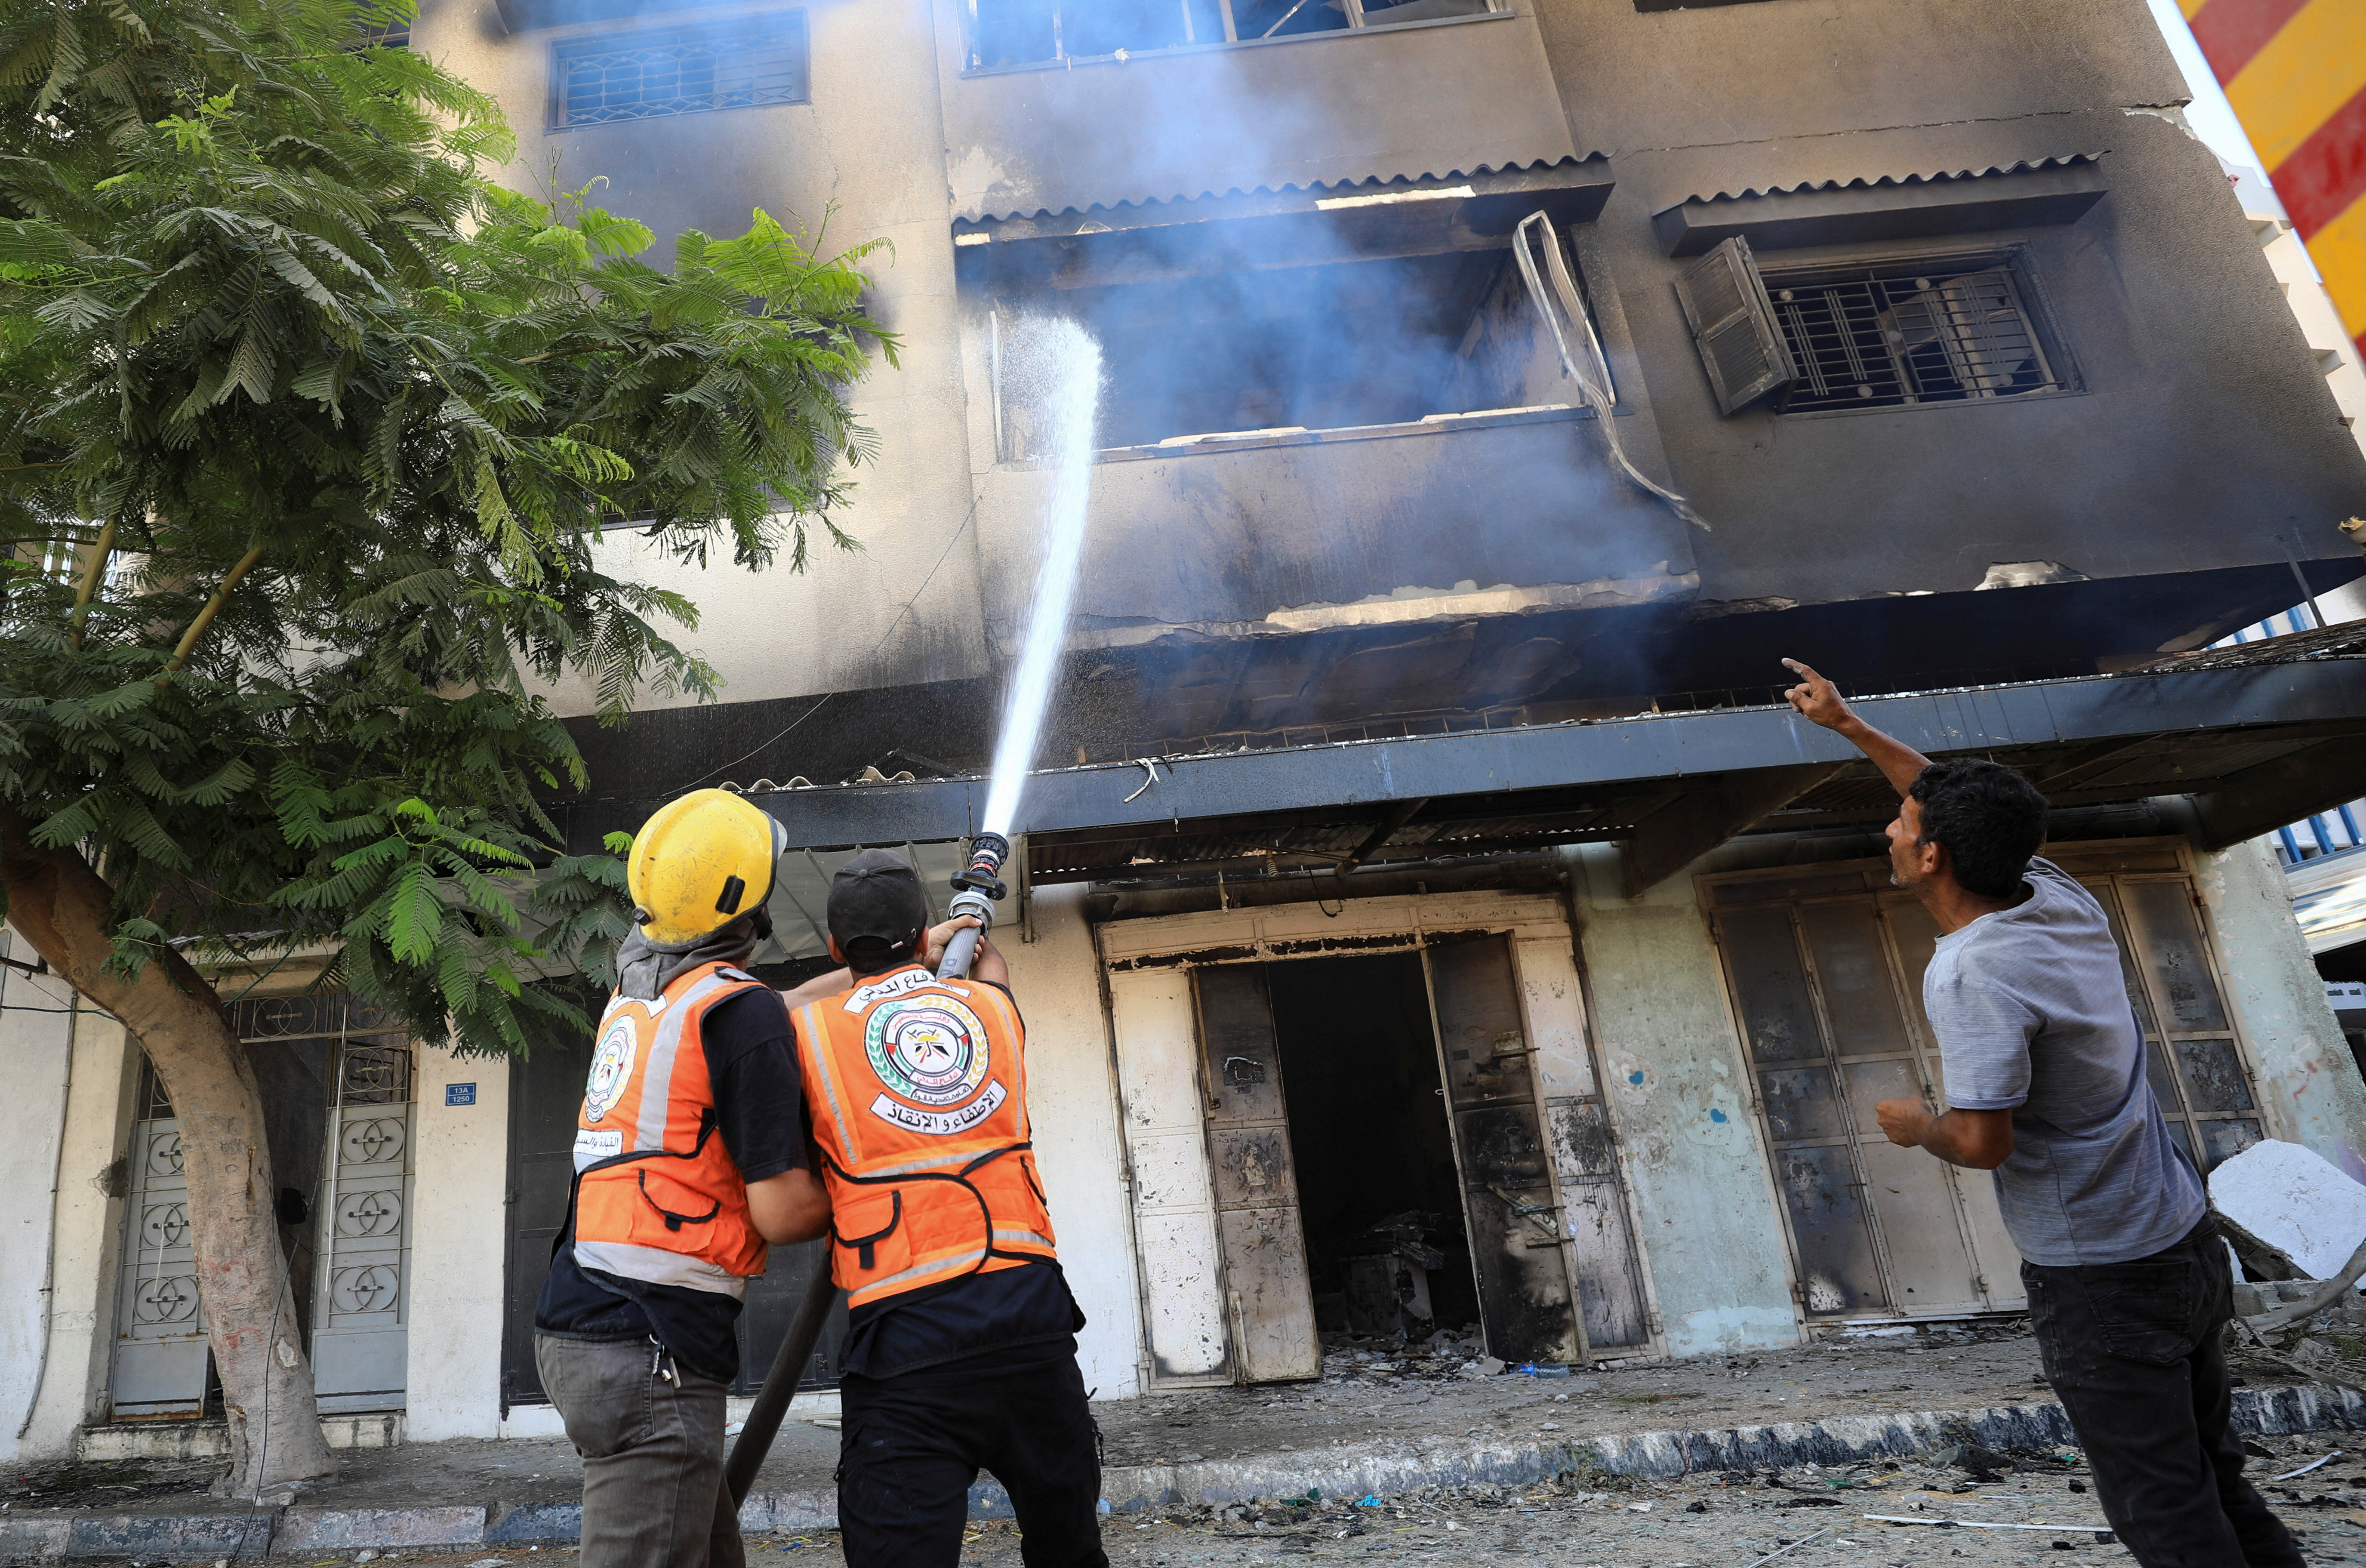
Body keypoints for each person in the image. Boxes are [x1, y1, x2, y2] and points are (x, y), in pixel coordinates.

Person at [1781, 659, 2302, 1568]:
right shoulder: (2052, 896)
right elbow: (1948, 800)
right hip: (2180, 1237)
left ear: (1931, 855)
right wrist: (1850, 727)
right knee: (2212, 1477)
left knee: (2164, 1510)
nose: (1890, 825)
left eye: (1902, 823)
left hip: (2104, 1273)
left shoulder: (1972, 971)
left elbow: (1984, 1140)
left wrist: (1914, 1124)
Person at [780, 848, 1107, 1568]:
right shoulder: (993, 1009)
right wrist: (948, 947)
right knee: (1071, 1551)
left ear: (836, 947)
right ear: (922, 929)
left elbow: (773, 1009)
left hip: (907, 1345)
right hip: (1032, 1324)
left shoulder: (812, 1033)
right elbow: (995, 975)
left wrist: (897, 965)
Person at [533, 789, 832, 1568]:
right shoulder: (736, 1011)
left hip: (587, 1325)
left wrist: (893, 970)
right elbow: (782, 1211)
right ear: (753, 910)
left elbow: (779, 1013)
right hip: (650, 1352)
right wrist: (882, 1186)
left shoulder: (644, 999)